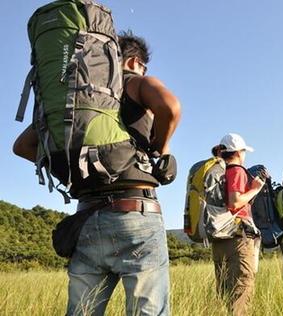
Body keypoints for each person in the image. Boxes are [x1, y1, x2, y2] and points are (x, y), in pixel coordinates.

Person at [13, 31, 181, 316]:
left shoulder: (74, 99)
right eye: (143, 66)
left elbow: (22, 146)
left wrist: (74, 172)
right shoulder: (135, 82)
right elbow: (171, 107)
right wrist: (162, 149)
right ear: (133, 60)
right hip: (135, 213)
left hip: (86, 219)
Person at [211, 133, 264, 316]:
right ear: (239, 152)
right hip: (238, 237)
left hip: (219, 237)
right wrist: (255, 189)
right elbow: (235, 202)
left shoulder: (219, 171)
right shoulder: (237, 170)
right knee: (241, 291)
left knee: (225, 291)